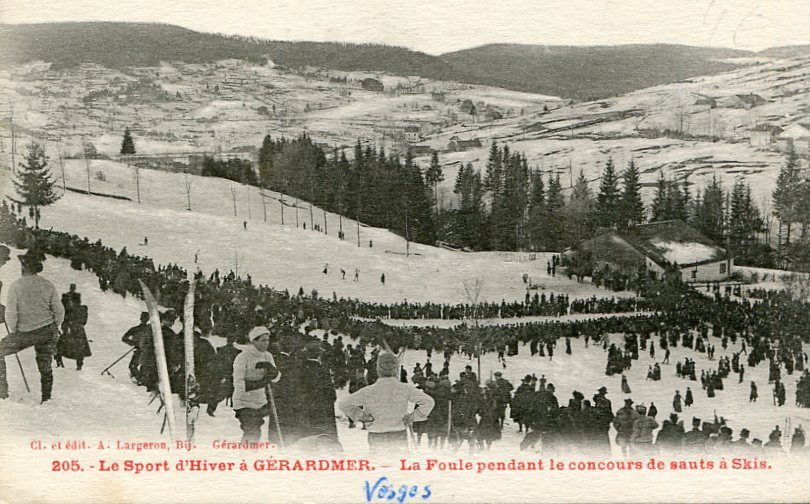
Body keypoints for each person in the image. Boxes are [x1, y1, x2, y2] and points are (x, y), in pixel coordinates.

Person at [339, 351, 435, 456]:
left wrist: (363, 416)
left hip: (376, 436)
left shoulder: (369, 391)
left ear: (378, 370)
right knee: (398, 468)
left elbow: (344, 404)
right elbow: (428, 402)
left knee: (380, 467)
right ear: (396, 369)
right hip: (399, 435)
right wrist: (412, 417)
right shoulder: (405, 388)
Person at [0, 250, 65, 402]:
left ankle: (2, 392)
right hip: (48, 330)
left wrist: (15, 332)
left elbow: (11, 314)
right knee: (45, 362)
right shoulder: (47, 284)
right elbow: (59, 310)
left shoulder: (16, 286)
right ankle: (46, 398)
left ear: (24, 268)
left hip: (26, 332)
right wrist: (55, 327)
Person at [231, 326, 280, 443]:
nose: (266, 343)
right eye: (263, 340)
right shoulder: (242, 357)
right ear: (254, 341)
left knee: (256, 432)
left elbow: (276, 378)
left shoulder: (267, 356)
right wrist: (261, 382)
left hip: (260, 402)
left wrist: (273, 371)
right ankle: (247, 456)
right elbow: (239, 385)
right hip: (244, 403)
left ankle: (250, 454)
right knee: (252, 431)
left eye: (268, 340)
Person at [121, 312, 150, 383]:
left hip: (146, 351)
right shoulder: (135, 329)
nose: (144, 320)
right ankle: (139, 379)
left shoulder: (149, 330)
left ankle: (140, 379)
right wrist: (134, 343)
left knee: (136, 366)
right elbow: (124, 338)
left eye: (145, 318)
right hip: (139, 350)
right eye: (143, 318)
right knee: (133, 365)